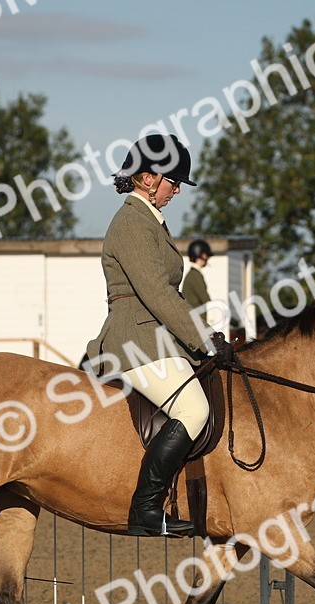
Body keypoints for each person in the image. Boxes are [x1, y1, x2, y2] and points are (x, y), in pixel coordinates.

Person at [86, 134, 232, 537]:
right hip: (136, 339)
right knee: (193, 410)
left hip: (156, 335)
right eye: (173, 181)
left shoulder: (149, 220)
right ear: (149, 178)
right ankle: (145, 508)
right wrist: (203, 341)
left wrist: (207, 337)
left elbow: (173, 295)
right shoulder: (132, 222)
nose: (178, 189)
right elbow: (156, 292)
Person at [182, 239, 212, 312]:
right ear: (203, 255)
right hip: (196, 319)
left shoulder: (192, 274)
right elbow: (205, 298)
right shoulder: (195, 275)